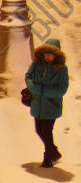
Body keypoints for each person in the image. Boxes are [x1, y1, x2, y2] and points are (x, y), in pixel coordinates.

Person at [24, 37, 70, 168]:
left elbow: (62, 89)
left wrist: (41, 90)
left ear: (56, 55)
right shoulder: (37, 63)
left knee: (47, 131)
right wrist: (32, 87)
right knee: (39, 130)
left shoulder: (62, 69)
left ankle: (48, 158)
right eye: (46, 53)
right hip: (37, 104)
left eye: (51, 54)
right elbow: (28, 76)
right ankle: (54, 152)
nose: (48, 56)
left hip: (51, 107)